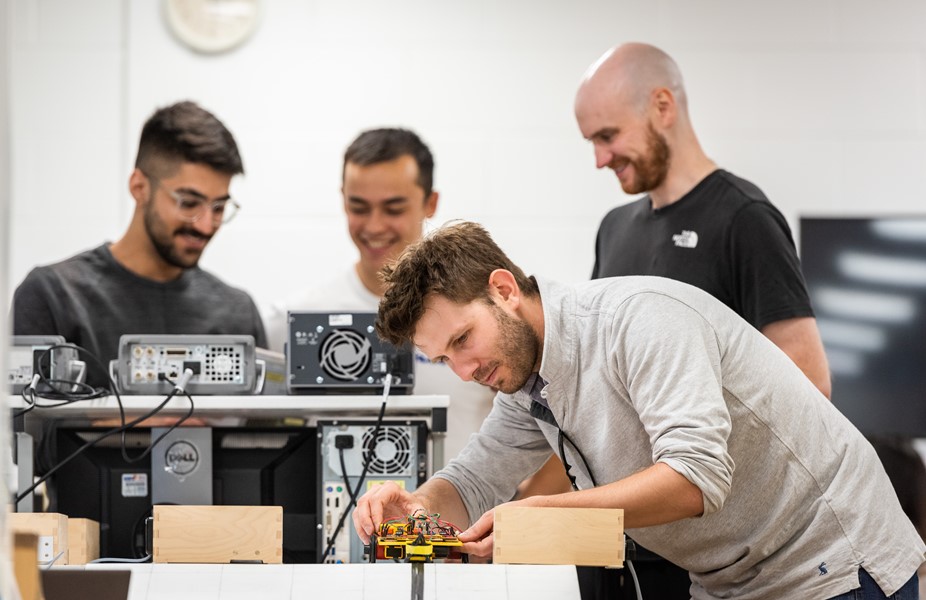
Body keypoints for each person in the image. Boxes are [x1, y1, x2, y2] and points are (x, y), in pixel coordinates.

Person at [354, 221, 925, 600]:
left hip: (830, 561)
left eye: (462, 340)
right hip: (732, 581)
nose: (463, 370)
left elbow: (695, 477)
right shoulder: (526, 381)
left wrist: (546, 513)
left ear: (503, 289)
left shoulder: (639, 320)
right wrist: (417, 505)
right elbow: (474, 479)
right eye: (441, 358)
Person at [575, 42, 831, 399]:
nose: (600, 159)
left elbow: (811, 386)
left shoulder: (745, 218)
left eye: (608, 136)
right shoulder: (613, 228)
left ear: (663, 107)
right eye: (592, 142)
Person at [264, 127, 495, 461]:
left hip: (462, 514)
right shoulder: (290, 321)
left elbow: (546, 428)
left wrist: (512, 510)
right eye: (358, 207)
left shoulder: (481, 317)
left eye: (393, 208)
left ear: (430, 203)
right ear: (343, 199)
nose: (374, 226)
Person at [12, 100, 266, 386]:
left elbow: (263, 429)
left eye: (219, 207)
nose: (206, 225)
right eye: (190, 203)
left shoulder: (237, 313)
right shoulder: (54, 297)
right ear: (139, 187)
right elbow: (23, 422)